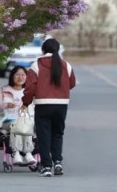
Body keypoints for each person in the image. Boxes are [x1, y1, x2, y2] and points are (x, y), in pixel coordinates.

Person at [22, 37, 75, 177]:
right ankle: (58, 161)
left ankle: (46, 166)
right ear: (58, 49)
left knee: (43, 136)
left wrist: (25, 102)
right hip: (61, 105)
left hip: (43, 104)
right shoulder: (66, 65)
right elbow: (72, 83)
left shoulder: (36, 65)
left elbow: (30, 87)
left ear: (43, 49)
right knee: (58, 134)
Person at [0, 66, 36, 166]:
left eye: (23, 75)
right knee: (16, 125)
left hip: (25, 121)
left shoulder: (30, 92)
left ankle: (28, 153)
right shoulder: (4, 91)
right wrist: (5, 105)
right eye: (17, 75)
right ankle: (16, 153)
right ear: (12, 76)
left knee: (25, 124)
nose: (20, 77)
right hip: (6, 121)